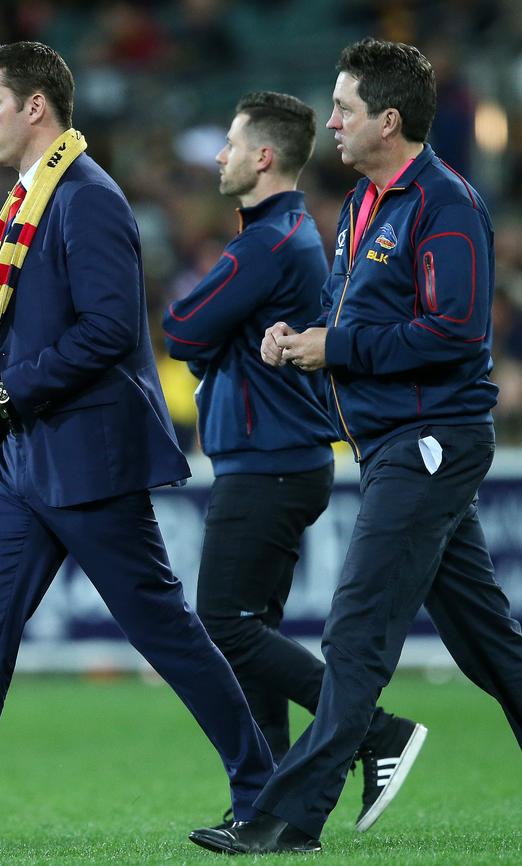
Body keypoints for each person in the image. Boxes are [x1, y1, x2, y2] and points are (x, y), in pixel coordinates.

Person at [0, 41, 276, 860]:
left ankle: (268, 796)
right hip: (21, 462)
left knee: (166, 634)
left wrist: (8, 388)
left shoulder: (87, 198)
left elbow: (111, 331)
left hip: (88, 460)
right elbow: (35, 326)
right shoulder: (27, 201)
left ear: (35, 108)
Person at [189, 38, 522, 856]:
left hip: (431, 441)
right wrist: (305, 341)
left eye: (344, 108)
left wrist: (331, 349)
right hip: (392, 444)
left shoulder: (444, 204)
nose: (331, 121)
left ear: (391, 120)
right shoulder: (371, 204)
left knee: (356, 630)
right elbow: (364, 327)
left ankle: (289, 817)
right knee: (487, 645)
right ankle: (297, 805)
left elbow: (452, 332)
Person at [163, 90, 426, 832]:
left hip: (270, 461)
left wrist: (214, 336)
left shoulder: (269, 244)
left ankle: (377, 732)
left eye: (230, 142)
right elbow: (198, 332)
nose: (220, 155)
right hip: (276, 458)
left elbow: (181, 327)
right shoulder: (280, 238)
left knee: (222, 623)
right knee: (250, 634)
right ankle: (269, 807)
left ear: (264, 156)